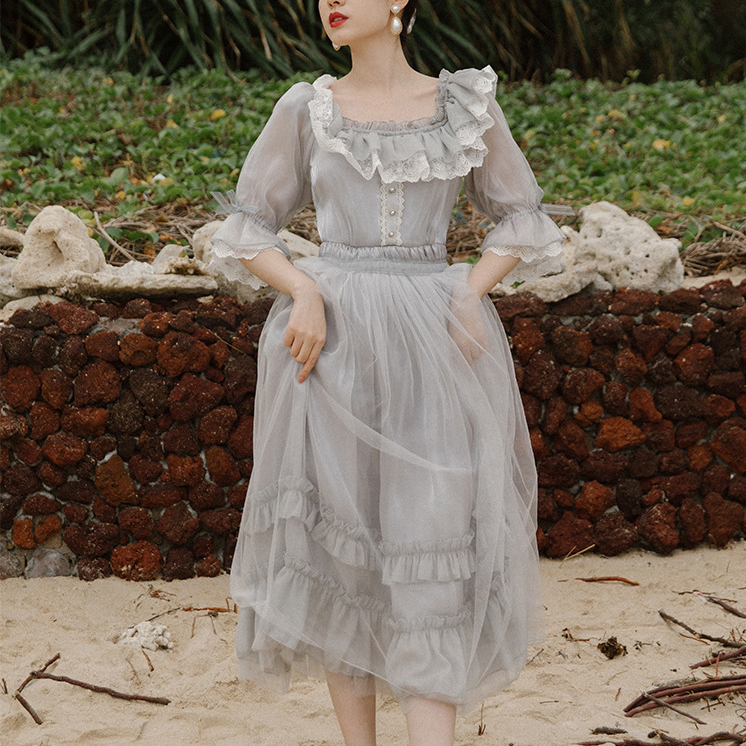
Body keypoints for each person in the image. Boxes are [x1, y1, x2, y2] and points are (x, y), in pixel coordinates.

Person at [208, 1, 566, 744]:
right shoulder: (306, 108)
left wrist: (468, 293)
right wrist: (303, 288)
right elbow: (247, 227)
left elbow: (521, 215)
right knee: (347, 558)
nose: (330, 1)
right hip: (332, 344)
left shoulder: (464, 104)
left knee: (431, 541)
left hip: (435, 340)